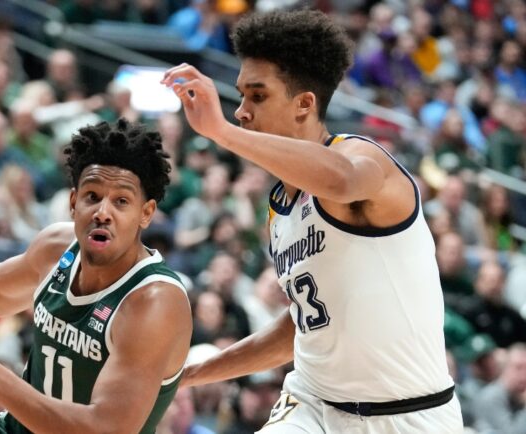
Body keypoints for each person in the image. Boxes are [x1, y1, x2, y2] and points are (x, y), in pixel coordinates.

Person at [161, 9, 463, 433]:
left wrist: (221, 133)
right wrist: (189, 375)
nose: (241, 111)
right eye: (240, 96)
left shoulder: (364, 158)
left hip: (409, 414)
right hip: (311, 403)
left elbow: (340, 181)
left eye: (257, 96)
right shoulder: (280, 205)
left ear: (304, 103)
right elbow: (305, 326)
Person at [0, 118, 192, 433]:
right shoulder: (57, 247)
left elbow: (104, 430)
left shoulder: (154, 302)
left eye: (121, 201)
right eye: (92, 196)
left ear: (145, 213)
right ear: (73, 202)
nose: (103, 212)